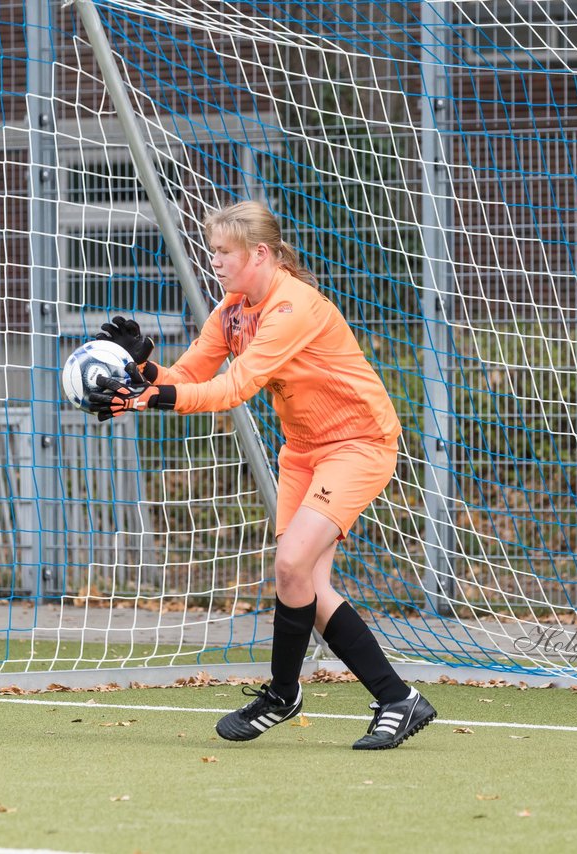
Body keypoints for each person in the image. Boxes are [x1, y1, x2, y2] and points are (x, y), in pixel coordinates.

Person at [86, 200, 435, 750]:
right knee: (301, 582)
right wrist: (141, 370)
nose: (216, 261)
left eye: (225, 252)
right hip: (303, 452)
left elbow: (232, 390)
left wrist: (144, 398)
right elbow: (189, 375)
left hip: (359, 444)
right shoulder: (232, 309)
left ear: (261, 254)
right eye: (213, 251)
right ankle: (396, 698)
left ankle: (281, 693)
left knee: (293, 562)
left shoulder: (291, 307)